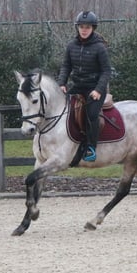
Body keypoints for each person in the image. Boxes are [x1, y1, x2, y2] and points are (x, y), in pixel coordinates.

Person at [57, 10, 111, 162]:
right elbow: (66, 66)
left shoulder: (100, 48)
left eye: (87, 27)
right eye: (81, 26)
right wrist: (61, 83)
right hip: (77, 86)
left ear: (93, 28)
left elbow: (106, 71)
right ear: (77, 28)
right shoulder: (71, 45)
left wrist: (98, 90)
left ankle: (91, 148)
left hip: (94, 88)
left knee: (92, 114)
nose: (84, 29)